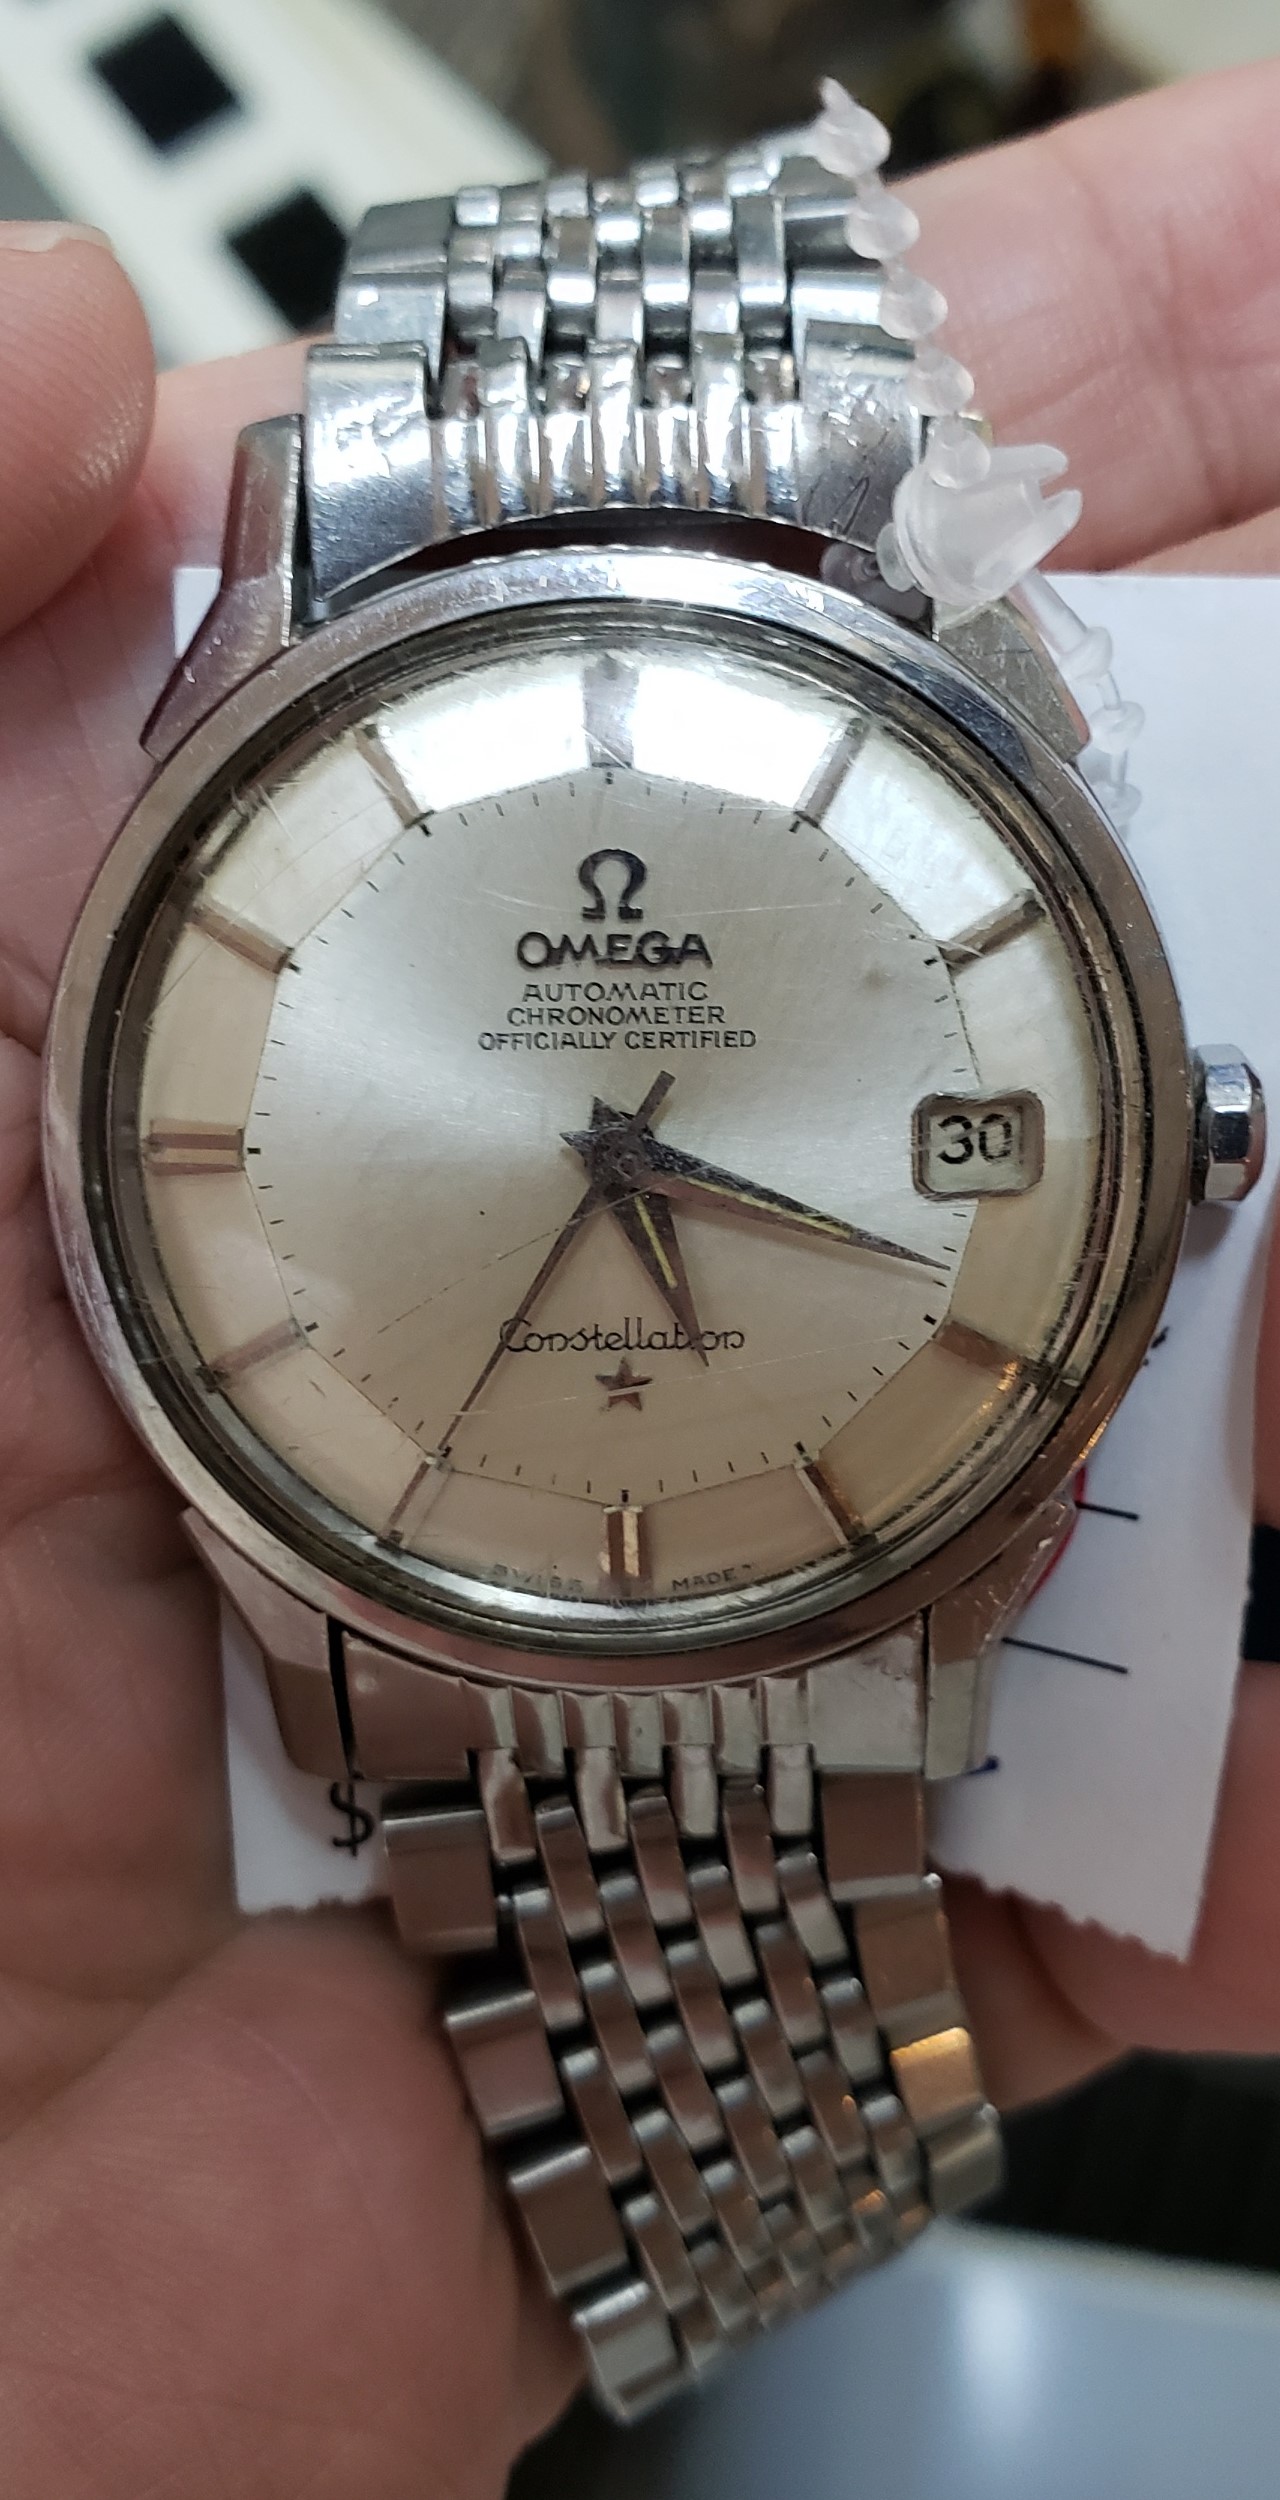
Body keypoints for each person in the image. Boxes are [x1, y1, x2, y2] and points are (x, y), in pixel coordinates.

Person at [1, 57, 1279, 2498]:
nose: (605, 1149)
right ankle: (736, 2219)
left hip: (786, 1573)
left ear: (1184, 1137)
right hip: (414, 1594)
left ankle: (731, 2219)